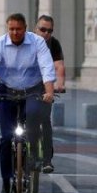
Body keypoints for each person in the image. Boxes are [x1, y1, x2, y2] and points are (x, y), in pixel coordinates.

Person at [0, 13, 56, 193]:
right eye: (11, 29)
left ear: (25, 29)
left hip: (32, 90)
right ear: (8, 29)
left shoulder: (37, 42)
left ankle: (32, 157)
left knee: (32, 118)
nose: (15, 32)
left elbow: (47, 68)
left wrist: (49, 92)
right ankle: (6, 187)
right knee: (7, 139)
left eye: (19, 29)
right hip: (7, 91)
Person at [33, 15, 65, 174]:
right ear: (35, 29)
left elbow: (58, 66)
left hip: (46, 89)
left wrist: (59, 84)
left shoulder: (54, 44)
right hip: (25, 86)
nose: (46, 33)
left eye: (49, 31)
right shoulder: (27, 42)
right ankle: (17, 151)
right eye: (42, 29)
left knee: (45, 120)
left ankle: (47, 160)